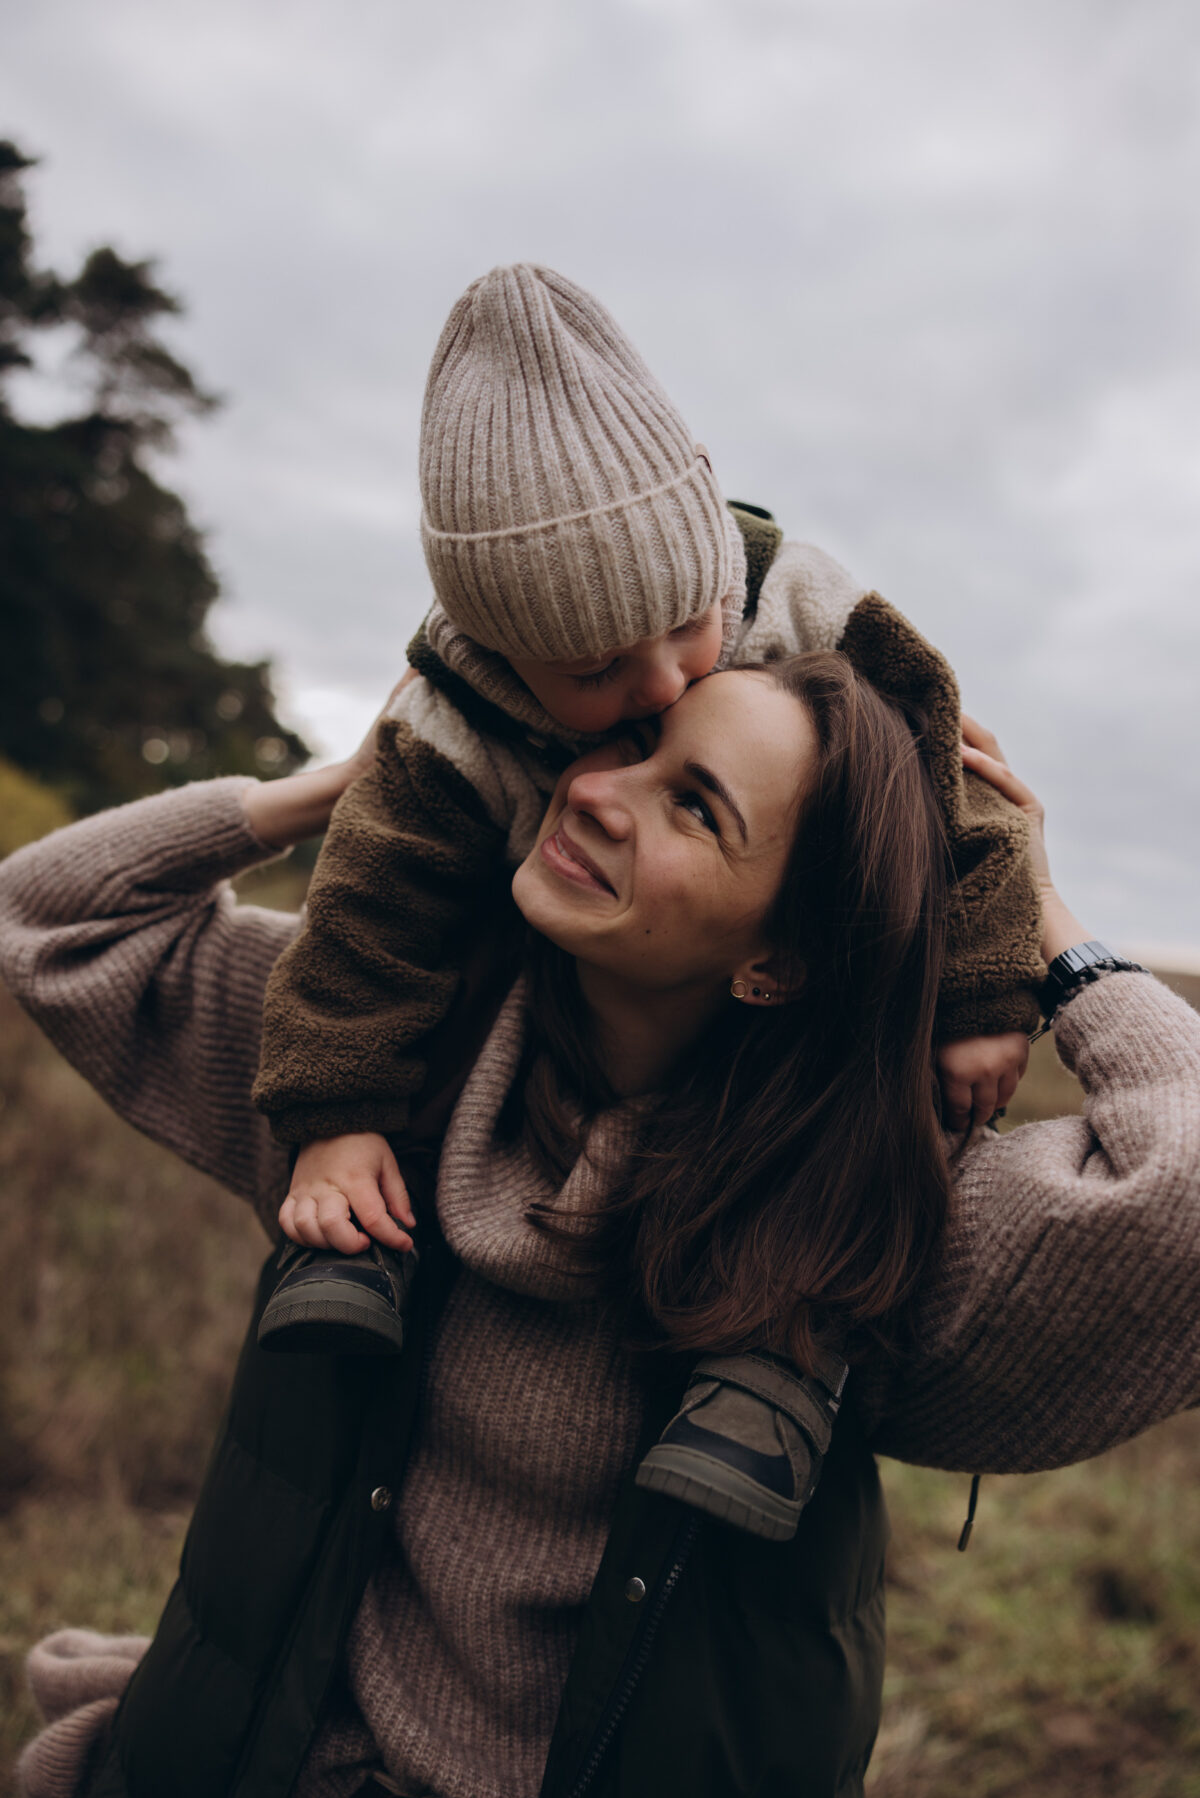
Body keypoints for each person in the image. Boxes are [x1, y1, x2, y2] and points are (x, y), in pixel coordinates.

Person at [4, 660, 1198, 1798]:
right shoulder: (375, 1069)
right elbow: (53, 920)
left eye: (695, 805)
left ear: (775, 962)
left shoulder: (858, 1223)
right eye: (631, 747)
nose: (595, 792)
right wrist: (359, 782)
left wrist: (1031, 903)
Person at [250, 265, 1042, 1539]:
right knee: (408, 1017)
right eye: (599, 673)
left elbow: (964, 784)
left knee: (858, 1101)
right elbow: (364, 923)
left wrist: (991, 982)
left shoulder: (801, 604)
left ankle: (791, 1349)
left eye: (687, 622)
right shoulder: (443, 723)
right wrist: (335, 1119)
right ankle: (356, 1263)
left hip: (783, 1002)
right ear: (496, 647)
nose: (673, 680)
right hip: (557, 1006)